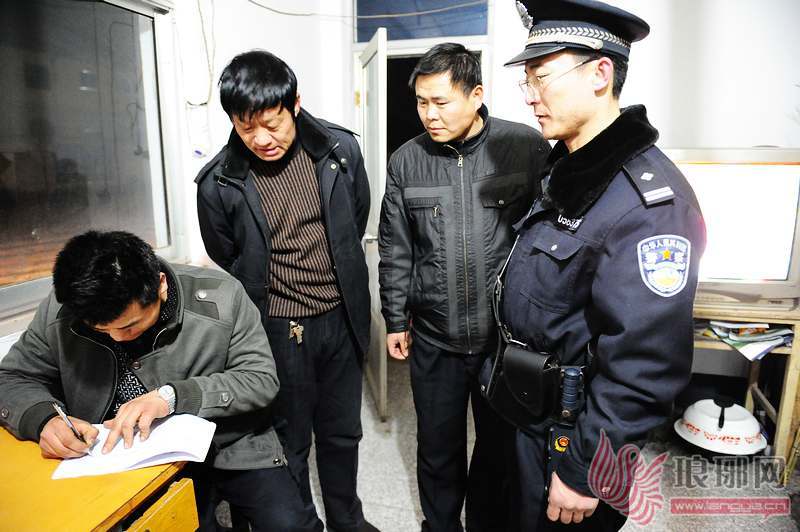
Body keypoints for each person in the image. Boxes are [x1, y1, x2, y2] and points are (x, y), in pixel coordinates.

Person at [495, 0, 707, 529]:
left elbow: (645, 366)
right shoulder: (568, 169)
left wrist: (585, 470)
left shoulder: (648, 206)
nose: (529, 95)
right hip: (530, 415)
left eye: (541, 77)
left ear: (600, 74)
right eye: (526, 80)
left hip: (576, 439)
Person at [0, 230, 322, 531]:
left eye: (129, 326)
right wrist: (42, 418)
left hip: (230, 442)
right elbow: (12, 377)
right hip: (123, 458)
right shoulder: (64, 309)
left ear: (161, 285)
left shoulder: (222, 297)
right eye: (101, 331)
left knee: (290, 524)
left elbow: (259, 379)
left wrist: (172, 397)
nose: (117, 338)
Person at [195, 51, 376, 532]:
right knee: (289, 441)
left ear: (294, 104)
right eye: (245, 127)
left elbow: (354, 220)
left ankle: (348, 519)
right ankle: (304, 524)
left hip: (342, 317)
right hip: (278, 328)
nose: (261, 139)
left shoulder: (339, 150)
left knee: (343, 433)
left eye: (272, 124)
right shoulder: (219, 182)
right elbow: (227, 254)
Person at [378, 42, 551, 532]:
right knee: (437, 449)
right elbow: (396, 247)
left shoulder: (524, 147)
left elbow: (547, 237)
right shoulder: (406, 161)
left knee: (500, 451)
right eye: (421, 102)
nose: (429, 115)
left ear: (476, 95)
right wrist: (395, 317)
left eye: (441, 102)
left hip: (503, 340)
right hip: (436, 338)